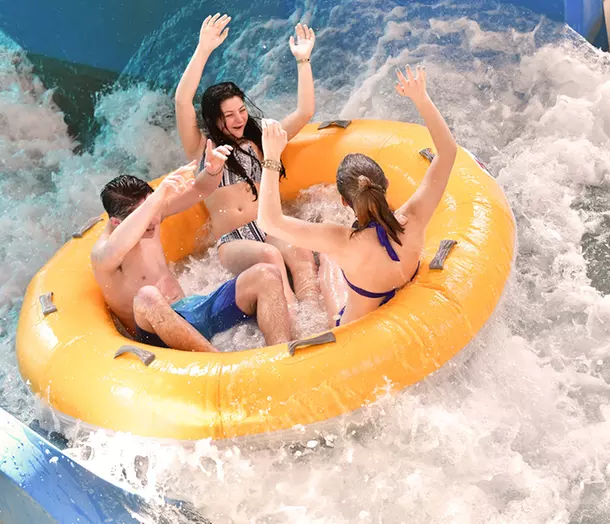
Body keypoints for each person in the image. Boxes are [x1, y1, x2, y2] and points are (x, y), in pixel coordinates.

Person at [257, 64, 458, 326]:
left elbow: (268, 222)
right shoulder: (415, 216)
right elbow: (448, 152)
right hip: (408, 307)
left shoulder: (341, 241)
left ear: (344, 201)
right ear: (385, 182)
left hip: (355, 330)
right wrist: (421, 98)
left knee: (328, 261)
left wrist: (271, 157)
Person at [174, 13, 319, 309]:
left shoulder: (261, 138)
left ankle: (314, 313)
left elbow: (305, 111)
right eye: (229, 115)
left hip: (267, 225)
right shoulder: (203, 148)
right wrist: (203, 49)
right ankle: (293, 317)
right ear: (215, 120)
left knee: (300, 251)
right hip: (233, 240)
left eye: (241, 110)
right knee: (271, 257)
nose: (239, 118)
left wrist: (303, 61)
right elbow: (181, 101)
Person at [91, 146, 292, 353]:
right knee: (147, 296)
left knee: (266, 274)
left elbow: (200, 190)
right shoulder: (103, 253)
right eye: (147, 213)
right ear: (116, 222)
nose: (154, 220)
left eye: (154, 210)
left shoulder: (153, 215)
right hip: (159, 335)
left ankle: (280, 357)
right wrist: (155, 199)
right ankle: (218, 363)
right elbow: (119, 245)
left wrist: (213, 171)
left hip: (192, 312)